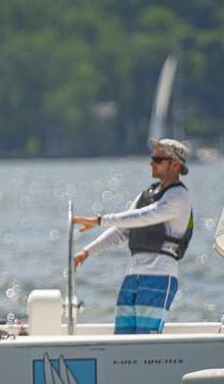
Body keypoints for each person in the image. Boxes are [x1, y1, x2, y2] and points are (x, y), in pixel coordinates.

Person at [73, 138, 193, 334]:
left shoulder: (179, 197)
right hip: (132, 277)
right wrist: (85, 253)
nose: (151, 162)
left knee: (145, 339)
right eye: (151, 157)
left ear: (175, 164)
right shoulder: (146, 194)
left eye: (157, 158)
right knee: (122, 337)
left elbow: (145, 216)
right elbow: (123, 229)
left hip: (159, 277)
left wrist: (99, 220)